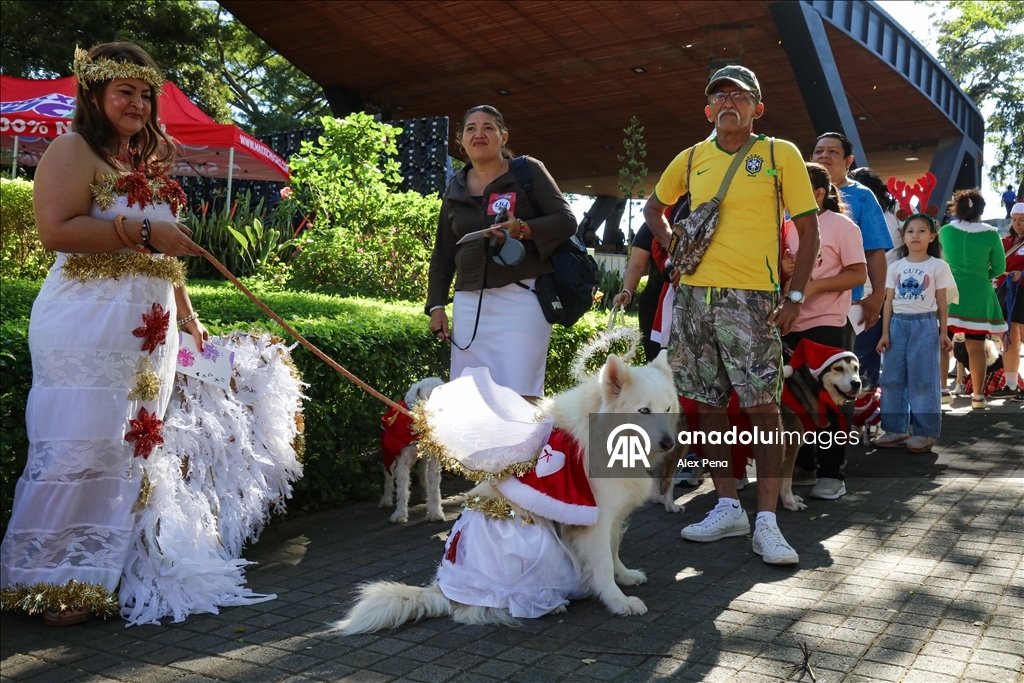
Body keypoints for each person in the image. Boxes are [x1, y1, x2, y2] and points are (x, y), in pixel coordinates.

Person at [0, 43, 209, 624]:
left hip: (148, 330)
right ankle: (52, 581)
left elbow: (160, 250)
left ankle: (103, 573)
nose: (138, 104)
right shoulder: (72, 149)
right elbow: (55, 230)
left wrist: (187, 310)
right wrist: (137, 229)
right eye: (126, 92)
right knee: (80, 443)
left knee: (129, 445)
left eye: (146, 95)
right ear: (94, 94)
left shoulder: (138, 168)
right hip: (85, 324)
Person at [643, 65, 820, 565]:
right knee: (707, 405)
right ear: (707, 109)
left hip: (753, 298)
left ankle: (766, 521)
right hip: (695, 298)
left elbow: (809, 231)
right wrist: (676, 250)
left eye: (739, 96)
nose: (728, 102)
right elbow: (653, 209)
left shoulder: (777, 153)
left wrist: (796, 296)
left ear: (757, 108)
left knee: (763, 408)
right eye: (719, 96)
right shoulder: (692, 156)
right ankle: (727, 506)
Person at [426, 105, 576, 399]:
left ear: (503, 137)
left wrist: (521, 229)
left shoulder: (528, 171)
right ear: (461, 140)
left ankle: (527, 448)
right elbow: (443, 253)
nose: (479, 133)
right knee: (468, 395)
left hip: (523, 297)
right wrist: (436, 306)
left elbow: (566, 221)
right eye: (471, 128)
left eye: (488, 127)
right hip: (469, 303)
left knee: (521, 393)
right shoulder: (454, 188)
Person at [780, 163, 866, 499]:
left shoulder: (842, 226)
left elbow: (858, 274)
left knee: (833, 398)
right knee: (794, 400)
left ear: (818, 193)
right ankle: (802, 466)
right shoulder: (786, 226)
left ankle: (833, 473)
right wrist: (786, 271)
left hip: (828, 325)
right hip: (790, 326)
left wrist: (813, 288)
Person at [810, 134, 893, 391]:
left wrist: (878, 295)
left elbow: (875, 251)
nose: (824, 155)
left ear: (849, 161)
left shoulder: (862, 196)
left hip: (843, 308)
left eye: (833, 152)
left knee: (838, 382)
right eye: (819, 151)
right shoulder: (793, 193)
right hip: (795, 304)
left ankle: (838, 433)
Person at [875, 214, 957, 451]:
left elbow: (942, 301)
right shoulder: (895, 267)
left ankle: (926, 432)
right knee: (891, 378)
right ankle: (895, 429)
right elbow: (888, 301)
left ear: (932, 237)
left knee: (923, 380)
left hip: (925, 325)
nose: (915, 236)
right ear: (903, 236)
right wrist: (885, 333)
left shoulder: (938, 266)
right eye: (910, 231)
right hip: (897, 326)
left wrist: (944, 332)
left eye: (922, 231)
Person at [939, 190, 1008, 409]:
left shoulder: (946, 231)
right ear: (981, 210)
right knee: (976, 347)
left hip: (949, 292)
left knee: (942, 343)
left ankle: (942, 391)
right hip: (979, 293)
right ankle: (978, 396)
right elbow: (1000, 267)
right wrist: (982, 277)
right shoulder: (991, 235)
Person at [612, 222, 666, 363]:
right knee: (656, 365)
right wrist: (627, 291)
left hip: (693, 302)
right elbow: (636, 265)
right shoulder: (655, 217)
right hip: (654, 306)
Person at [990, 203, 1024, 401]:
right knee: (1008, 337)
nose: (1017, 224)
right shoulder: (1004, 242)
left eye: (1022, 220)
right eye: (1014, 220)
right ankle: (1011, 384)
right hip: (1008, 292)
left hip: (1023, 291)